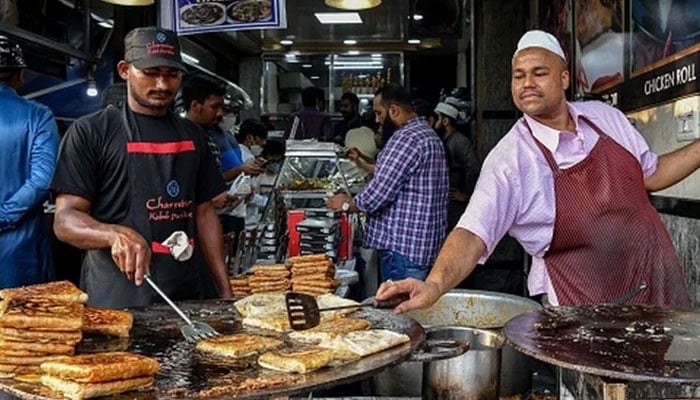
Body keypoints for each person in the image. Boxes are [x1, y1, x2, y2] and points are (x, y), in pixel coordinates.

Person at [377, 30, 699, 312]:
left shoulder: (604, 118)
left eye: (539, 73)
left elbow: (652, 174)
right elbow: (473, 233)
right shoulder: (511, 160)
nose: (527, 83)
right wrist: (434, 285)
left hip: (657, 286)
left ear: (564, 78)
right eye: (518, 76)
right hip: (586, 314)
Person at [51, 27, 232, 308]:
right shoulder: (91, 132)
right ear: (125, 70)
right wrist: (112, 234)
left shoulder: (193, 134)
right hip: (118, 295)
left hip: (187, 289)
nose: (162, 84)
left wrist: (225, 292)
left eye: (172, 74)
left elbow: (205, 213)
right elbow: (65, 221)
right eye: (150, 72)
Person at [326, 84, 449, 281]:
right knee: (416, 309)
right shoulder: (427, 134)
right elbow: (395, 175)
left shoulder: (406, 139)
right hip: (421, 246)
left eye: (379, 113)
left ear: (394, 110)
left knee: (399, 310)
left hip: (403, 249)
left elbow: (378, 194)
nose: (377, 120)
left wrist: (347, 203)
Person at [0, 35, 60, 288]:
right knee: (27, 322)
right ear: (20, 75)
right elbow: (43, 180)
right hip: (20, 252)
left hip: (21, 249)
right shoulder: (39, 116)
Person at [434, 98, 480, 231]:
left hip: (456, 201)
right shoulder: (444, 139)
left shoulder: (460, 141)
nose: (436, 123)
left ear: (445, 121)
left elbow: (474, 166)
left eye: (438, 119)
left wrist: (466, 195)